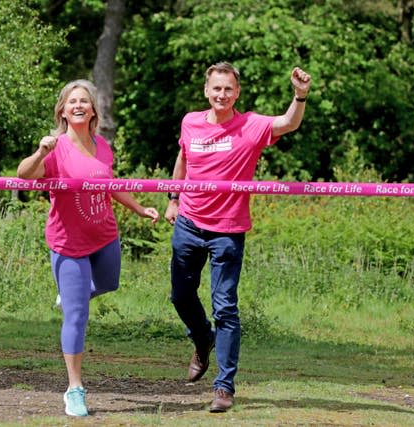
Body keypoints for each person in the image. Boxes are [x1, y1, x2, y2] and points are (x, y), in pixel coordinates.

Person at [164, 62, 311, 412]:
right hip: (188, 223)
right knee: (180, 297)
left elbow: (288, 122)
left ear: (237, 93)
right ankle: (203, 340)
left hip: (227, 230)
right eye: (216, 88)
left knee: (225, 306)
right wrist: (173, 197)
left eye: (228, 89)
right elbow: (183, 157)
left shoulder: (251, 125)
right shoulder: (190, 121)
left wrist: (300, 95)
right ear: (206, 91)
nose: (222, 95)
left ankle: (224, 387)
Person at [17, 79, 159, 417]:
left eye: (84, 101)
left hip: (104, 235)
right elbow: (25, 176)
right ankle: (75, 389)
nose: (78, 105)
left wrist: (139, 208)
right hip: (69, 243)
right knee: (77, 316)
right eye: (72, 102)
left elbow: (110, 185)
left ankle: (72, 294)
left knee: (109, 282)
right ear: (63, 112)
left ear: (93, 110)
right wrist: (41, 151)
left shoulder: (102, 145)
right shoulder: (56, 148)